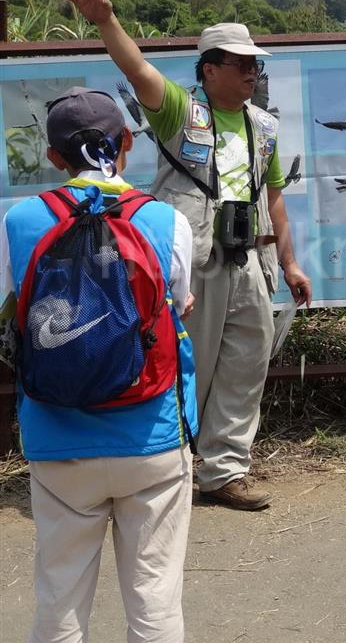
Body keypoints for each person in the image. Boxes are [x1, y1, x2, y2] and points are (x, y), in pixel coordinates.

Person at [64, 0, 312, 510]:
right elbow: (136, 68)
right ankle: (171, 463)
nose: (252, 72)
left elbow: (275, 200)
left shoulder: (264, 126)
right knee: (187, 363)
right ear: (209, 69)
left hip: (250, 261)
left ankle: (223, 471)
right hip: (194, 262)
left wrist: (289, 264)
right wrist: (106, 18)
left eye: (255, 64)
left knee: (248, 365)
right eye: (241, 63)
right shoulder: (181, 112)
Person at [0, 87, 197, 642]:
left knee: (58, 596)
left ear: (54, 156)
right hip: (150, 438)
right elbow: (179, 304)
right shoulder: (165, 221)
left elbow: (9, 308)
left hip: (57, 439)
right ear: (127, 142)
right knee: (154, 596)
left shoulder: (19, 222)